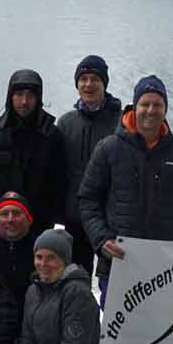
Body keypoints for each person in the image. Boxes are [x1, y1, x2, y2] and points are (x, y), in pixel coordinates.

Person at [77, 75, 173, 307]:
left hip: (165, 268)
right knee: (117, 337)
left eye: (157, 105)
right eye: (145, 104)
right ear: (135, 106)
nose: (151, 111)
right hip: (118, 263)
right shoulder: (108, 148)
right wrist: (101, 239)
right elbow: (87, 200)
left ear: (165, 110)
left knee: (159, 333)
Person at [0, 69, 67, 235]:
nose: (24, 102)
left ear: (38, 99)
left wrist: (58, 224)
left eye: (30, 95)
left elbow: (60, 185)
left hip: (38, 225)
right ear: (10, 97)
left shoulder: (52, 136)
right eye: (19, 95)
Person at [55, 55, 122, 275]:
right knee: (76, 277)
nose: (88, 84)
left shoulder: (121, 122)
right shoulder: (66, 122)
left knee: (111, 280)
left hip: (111, 218)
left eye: (95, 79)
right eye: (83, 79)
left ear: (104, 84)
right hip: (74, 217)